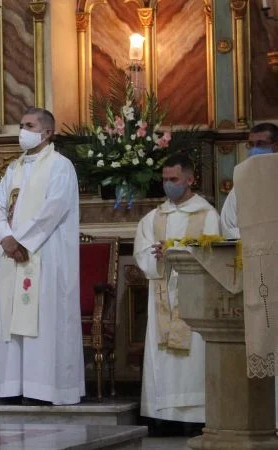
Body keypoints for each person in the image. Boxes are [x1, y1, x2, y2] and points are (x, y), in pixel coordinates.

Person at [0, 107, 84, 406]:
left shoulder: (61, 166)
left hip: (45, 255)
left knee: (43, 321)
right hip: (12, 255)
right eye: (21, 124)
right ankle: (13, 386)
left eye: (29, 125)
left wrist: (21, 241)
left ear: (46, 132)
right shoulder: (14, 168)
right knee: (12, 320)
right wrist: (6, 238)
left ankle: (44, 388)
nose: (22, 131)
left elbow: (53, 209)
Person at [133, 153, 219, 430]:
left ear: (190, 180)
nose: (168, 184)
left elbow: (215, 254)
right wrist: (157, 255)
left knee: (193, 358)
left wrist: (178, 250)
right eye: (165, 179)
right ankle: (162, 415)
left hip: (194, 296)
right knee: (163, 357)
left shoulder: (207, 215)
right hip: (162, 293)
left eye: (174, 179)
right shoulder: (153, 218)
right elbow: (142, 253)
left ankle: (195, 418)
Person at [220, 122, 278, 240]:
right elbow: (227, 226)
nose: (254, 149)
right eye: (251, 144)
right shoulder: (242, 185)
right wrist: (259, 238)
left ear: (276, 146)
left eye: (261, 144)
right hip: (252, 252)